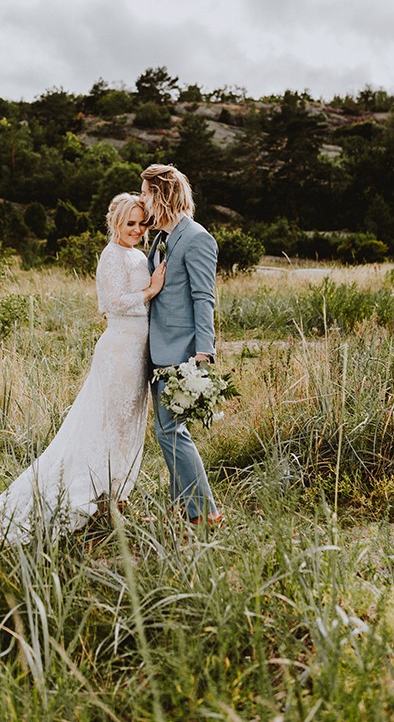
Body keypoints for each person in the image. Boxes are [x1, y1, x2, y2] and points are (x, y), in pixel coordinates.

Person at [0, 194, 166, 552]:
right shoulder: (111, 255)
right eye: (130, 223)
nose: (137, 230)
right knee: (107, 423)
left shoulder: (136, 254)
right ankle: (93, 494)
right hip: (119, 350)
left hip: (138, 350)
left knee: (128, 424)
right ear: (116, 222)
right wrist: (150, 291)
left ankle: (113, 496)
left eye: (142, 223)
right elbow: (110, 303)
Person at [140, 164, 223, 528]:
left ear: (161, 194)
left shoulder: (197, 238)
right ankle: (182, 508)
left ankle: (205, 513)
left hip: (183, 350)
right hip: (157, 349)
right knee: (167, 431)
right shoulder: (160, 238)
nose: (141, 199)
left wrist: (204, 352)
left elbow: (204, 297)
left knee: (171, 431)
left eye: (145, 192)